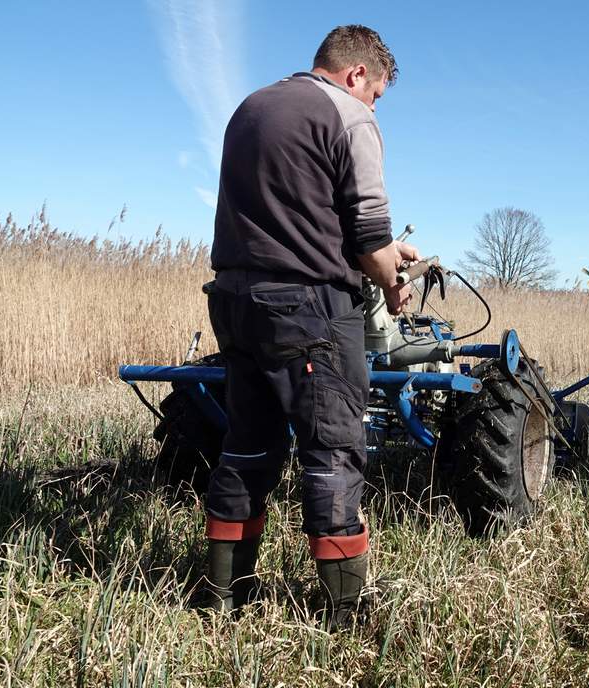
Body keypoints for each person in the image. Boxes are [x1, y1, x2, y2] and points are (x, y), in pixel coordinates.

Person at [204, 25, 419, 628]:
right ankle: (346, 612)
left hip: (235, 301)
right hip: (311, 310)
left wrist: (375, 250)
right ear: (357, 75)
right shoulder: (348, 115)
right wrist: (392, 279)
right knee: (332, 452)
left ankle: (224, 600)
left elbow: (293, 214)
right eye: (376, 92)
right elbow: (370, 236)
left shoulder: (251, 108)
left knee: (246, 446)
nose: (373, 104)